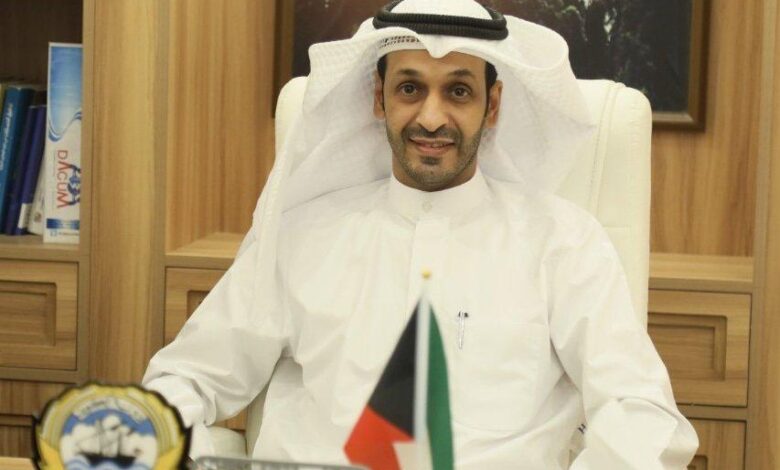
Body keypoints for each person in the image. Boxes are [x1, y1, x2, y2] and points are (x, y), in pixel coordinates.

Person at [143, 0, 698, 468]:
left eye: (458, 91)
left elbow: (640, 411)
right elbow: (184, 380)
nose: (432, 118)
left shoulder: (563, 243)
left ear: (492, 105)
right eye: (410, 88)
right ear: (379, 99)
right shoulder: (302, 236)